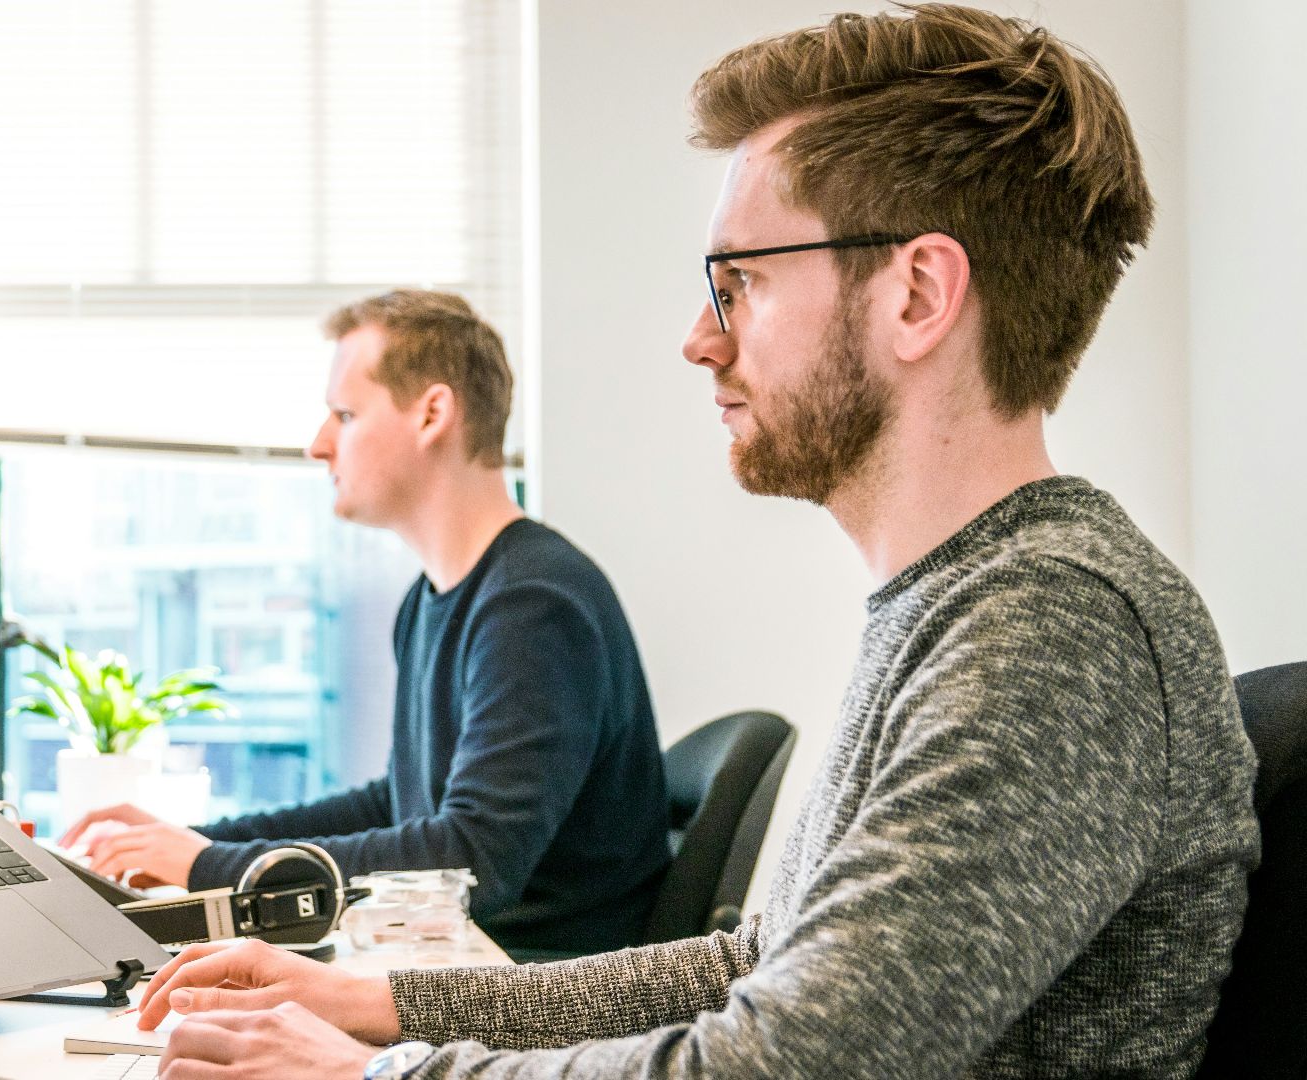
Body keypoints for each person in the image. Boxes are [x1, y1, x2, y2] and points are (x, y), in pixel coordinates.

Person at [130, 6, 1261, 1078]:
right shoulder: (964, 602)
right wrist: (378, 1005)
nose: (698, 340)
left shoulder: (1050, 629)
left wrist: (387, 1069)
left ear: (917, 294)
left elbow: (785, 1063)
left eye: (741, 284)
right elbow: (754, 968)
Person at [61, 289, 673, 958]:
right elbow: (399, 805)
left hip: (532, 990)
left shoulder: (533, 606)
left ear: (432, 413)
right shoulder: (435, 599)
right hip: (460, 962)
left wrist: (208, 868)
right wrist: (200, 844)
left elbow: (472, 862)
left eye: (345, 415)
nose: (317, 445)